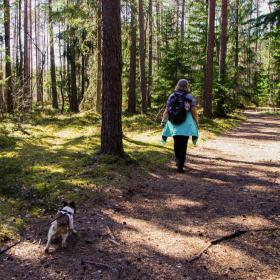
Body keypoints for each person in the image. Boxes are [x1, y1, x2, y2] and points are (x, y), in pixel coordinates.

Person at [161, 79, 199, 173]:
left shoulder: (172, 96)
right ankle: (180, 166)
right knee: (183, 144)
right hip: (186, 125)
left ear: (177, 85)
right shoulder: (189, 97)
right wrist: (196, 121)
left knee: (176, 143)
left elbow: (166, 110)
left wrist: (163, 121)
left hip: (173, 124)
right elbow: (193, 111)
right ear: (187, 86)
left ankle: (178, 161)